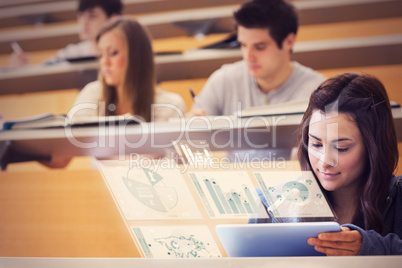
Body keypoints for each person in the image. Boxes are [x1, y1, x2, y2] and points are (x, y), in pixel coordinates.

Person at [251, 72, 402, 255]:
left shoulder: (398, 199)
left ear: (374, 147)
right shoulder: (272, 205)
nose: (324, 162)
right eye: (315, 144)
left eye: (341, 148)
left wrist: (370, 247)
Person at [188, 0, 326, 117]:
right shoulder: (223, 80)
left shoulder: (317, 92)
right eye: (243, 45)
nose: (248, 57)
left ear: (288, 42)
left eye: (260, 47)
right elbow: (192, 135)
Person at [68, 17, 186, 122]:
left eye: (113, 53)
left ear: (137, 56)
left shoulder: (170, 106)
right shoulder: (91, 95)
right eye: (101, 55)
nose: (104, 62)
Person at [9, 0, 123, 67]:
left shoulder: (126, 50)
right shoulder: (73, 52)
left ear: (113, 19)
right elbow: (45, 68)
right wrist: (20, 67)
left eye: (92, 16)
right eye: (81, 15)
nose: (84, 22)